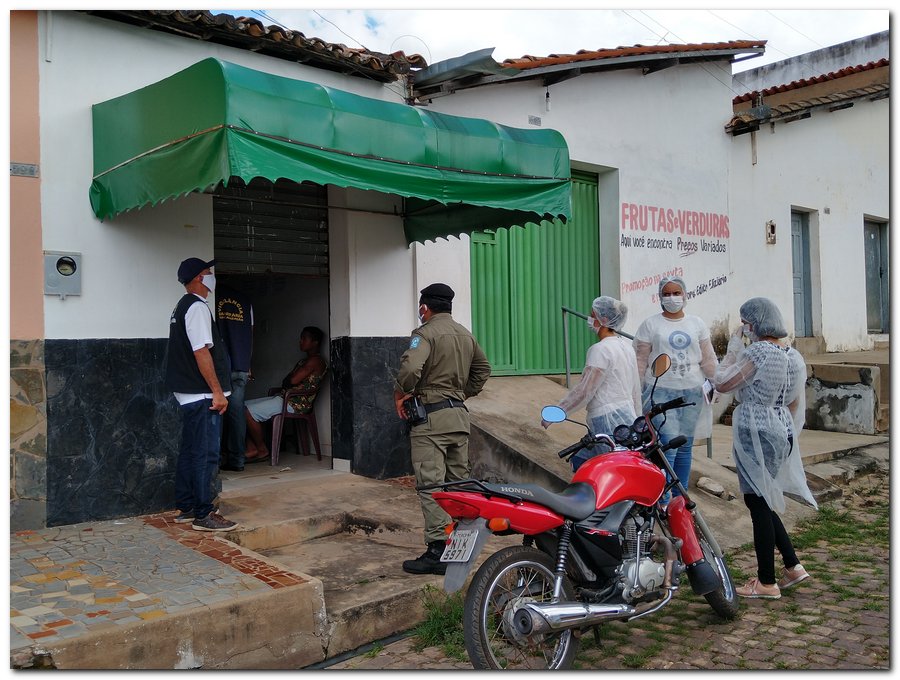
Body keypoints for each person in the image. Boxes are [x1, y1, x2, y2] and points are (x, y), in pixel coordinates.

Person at [714, 297, 816, 599]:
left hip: (755, 427)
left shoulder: (758, 351)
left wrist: (733, 351)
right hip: (780, 426)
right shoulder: (791, 355)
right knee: (764, 499)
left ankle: (766, 581)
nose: (744, 327)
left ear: (753, 324)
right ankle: (792, 565)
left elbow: (724, 383)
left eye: (745, 322)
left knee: (757, 503)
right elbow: (795, 401)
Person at [394, 283, 492, 575]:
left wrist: (403, 392)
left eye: (420, 308)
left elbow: (411, 369)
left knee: (431, 485)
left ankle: (437, 551)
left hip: (430, 421)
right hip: (459, 418)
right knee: (458, 485)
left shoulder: (423, 334)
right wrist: (461, 394)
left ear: (425, 308)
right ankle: (459, 548)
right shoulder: (466, 334)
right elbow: (483, 370)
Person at [164, 257, 239, 532]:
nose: (211, 276)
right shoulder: (196, 308)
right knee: (206, 454)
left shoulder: (182, 307)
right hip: (202, 394)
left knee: (191, 451)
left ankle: (187, 506)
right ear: (198, 278)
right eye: (208, 272)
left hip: (190, 392)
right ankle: (204, 514)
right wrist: (217, 392)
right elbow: (201, 351)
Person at [633, 276, 718, 503]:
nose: (672, 298)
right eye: (667, 294)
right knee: (667, 445)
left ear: (685, 295)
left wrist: (716, 383)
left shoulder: (697, 323)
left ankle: (680, 498)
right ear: (660, 297)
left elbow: (708, 358)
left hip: (691, 393)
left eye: (676, 293)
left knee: (684, 446)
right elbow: (641, 361)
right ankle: (663, 498)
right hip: (660, 392)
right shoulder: (650, 325)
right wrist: (635, 392)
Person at [542, 296, 641, 471]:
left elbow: (584, 391)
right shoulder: (626, 347)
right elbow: (635, 388)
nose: (589, 320)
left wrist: (557, 412)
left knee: (607, 471)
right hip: (627, 416)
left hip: (605, 419)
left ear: (602, 320)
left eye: (592, 315)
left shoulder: (600, 350)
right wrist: (637, 418)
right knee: (584, 461)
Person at [242, 326, 327, 463]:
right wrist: (290, 381)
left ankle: (262, 449)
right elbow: (286, 382)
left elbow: (292, 380)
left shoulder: (316, 361)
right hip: (285, 397)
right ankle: (252, 448)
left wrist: (290, 381)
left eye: (304, 338)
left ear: (315, 342)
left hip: (296, 403)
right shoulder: (303, 361)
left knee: (246, 411)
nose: (300, 341)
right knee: (240, 406)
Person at [216, 284, 254, 472]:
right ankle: (237, 460)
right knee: (236, 413)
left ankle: (215, 460)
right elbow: (250, 333)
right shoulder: (246, 302)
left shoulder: (212, 298)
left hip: (220, 365)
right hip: (241, 365)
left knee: (217, 411)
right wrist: (248, 364)